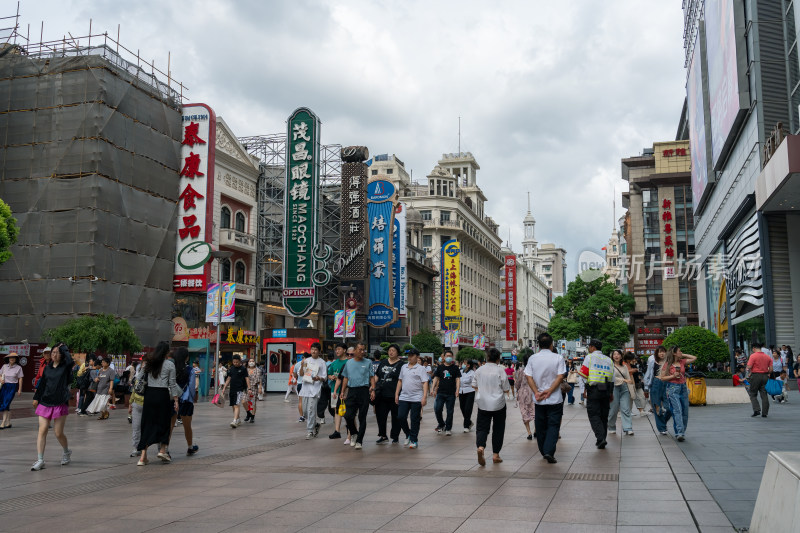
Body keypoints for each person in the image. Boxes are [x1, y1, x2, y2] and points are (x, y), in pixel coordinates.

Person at [137, 342, 181, 465]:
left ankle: (143, 457)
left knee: (147, 424)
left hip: (149, 395)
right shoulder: (170, 365)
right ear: (167, 352)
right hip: (162, 395)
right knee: (164, 422)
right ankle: (162, 450)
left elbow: (138, 377)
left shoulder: (148, 363)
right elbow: (172, 384)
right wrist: (176, 400)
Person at [31, 344, 74, 470]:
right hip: (45, 401)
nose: (54, 354)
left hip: (60, 402)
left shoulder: (65, 367)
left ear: (61, 354)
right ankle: (40, 459)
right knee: (42, 429)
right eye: (53, 352)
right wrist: (36, 398)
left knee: (58, 433)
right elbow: (42, 384)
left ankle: (66, 451)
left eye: (57, 352)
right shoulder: (47, 368)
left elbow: (70, 361)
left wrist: (64, 348)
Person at [524, 333, 566, 463]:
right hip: (555, 398)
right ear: (551, 344)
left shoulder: (532, 358)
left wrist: (537, 392)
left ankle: (544, 450)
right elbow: (560, 377)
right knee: (553, 425)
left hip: (539, 399)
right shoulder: (558, 358)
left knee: (540, 425)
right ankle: (548, 451)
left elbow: (528, 376)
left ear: (538, 345)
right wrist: (550, 390)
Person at [474, 348, 510, 465]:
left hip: (483, 403)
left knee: (482, 428)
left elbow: (474, 385)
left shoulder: (479, 370)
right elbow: (506, 388)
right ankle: (495, 455)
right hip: (498, 404)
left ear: (487, 357)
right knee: (498, 429)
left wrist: (483, 391)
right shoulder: (500, 371)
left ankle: (481, 447)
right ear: (498, 359)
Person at [578, 339, 613, 449]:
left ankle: (600, 438)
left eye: (589, 347)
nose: (589, 349)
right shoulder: (609, 359)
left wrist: (584, 389)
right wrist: (611, 393)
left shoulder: (590, 357)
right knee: (604, 415)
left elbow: (583, 374)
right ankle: (602, 438)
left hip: (594, 389)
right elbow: (612, 379)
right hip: (606, 389)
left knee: (594, 414)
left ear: (593, 347)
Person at [340, 341, 375, 449]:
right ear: (354, 350)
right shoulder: (349, 363)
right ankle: (354, 433)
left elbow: (372, 377)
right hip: (352, 391)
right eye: (360, 349)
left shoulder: (368, 362)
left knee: (362, 417)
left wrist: (373, 389)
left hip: (363, 391)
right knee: (348, 415)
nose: (362, 351)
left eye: (363, 349)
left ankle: (359, 441)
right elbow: (345, 378)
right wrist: (342, 391)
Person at [659, 346, 697, 441]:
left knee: (685, 411)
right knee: (677, 410)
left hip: (683, 387)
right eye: (679, 351)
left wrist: (682, 355)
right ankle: (679, 433)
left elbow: (694, 358)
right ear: (674, 353)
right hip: (672, 388)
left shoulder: (682, 362)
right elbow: (662, 378)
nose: (681, 352)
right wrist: (673, 376)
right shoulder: (667, 365)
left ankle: (682, 431)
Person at [395, 347, 429, 449]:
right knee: (400, 417)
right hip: (404, 397)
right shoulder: (404, 367)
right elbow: (400, 381)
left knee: (414, 419)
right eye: (408, 355)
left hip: (416, 398)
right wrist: (397, 394)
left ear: (417, 356)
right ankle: (408, 433)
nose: (409, 357)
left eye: (412, 355)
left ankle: (414, 440)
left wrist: (424, 397)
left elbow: (425, 382)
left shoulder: (421, 368)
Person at [374, 344, 404, 444]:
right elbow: (377, 375)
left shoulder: (401, 365)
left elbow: (402, 379)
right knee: (380, 416)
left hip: (395, 395)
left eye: (393, 350)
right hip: (381, 395)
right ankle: (383, 435)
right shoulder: (383, 362)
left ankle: (395, 436)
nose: (391, 352)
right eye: (389, 350)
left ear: (397, 353)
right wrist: (373, 387)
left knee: (396, 417)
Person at [171, 347, 199, 455]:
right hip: (186, 400)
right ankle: (190, 447)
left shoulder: (172, 368)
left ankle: (166, 449)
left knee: (170, 426)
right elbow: (192, 387)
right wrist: (193, 398)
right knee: (187, 426)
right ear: (186, 357)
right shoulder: (190, 370)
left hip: (172, 399)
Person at [299, 342, 327, 439]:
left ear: (319, 352)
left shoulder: (322, 362)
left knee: (311, 410)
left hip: (315, 389)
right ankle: (315, 424)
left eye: (315, 349)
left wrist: (318, 378)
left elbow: (324, 377)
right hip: (305, 388)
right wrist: (302, 365)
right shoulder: (306, 360)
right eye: (312, 349)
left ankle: (310, 431)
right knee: (305, 411)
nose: (313, 351)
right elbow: (301, 374)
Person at [432, 349, 461, 436]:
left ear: (452, 357)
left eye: (450, 356)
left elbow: (458, 379)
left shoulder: (455, 368)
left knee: (450, 411)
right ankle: (441, 423)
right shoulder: (440, 367)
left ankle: (448, 428)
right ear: (444, 357)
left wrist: (457, 390)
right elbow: (436, 378)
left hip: (451, 393)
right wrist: (432, 388)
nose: (448, 357)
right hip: (441, 392)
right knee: (437, 409)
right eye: (447, 356)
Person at [644, 346, 672, 435]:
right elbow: (648, 374)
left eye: (663, 351)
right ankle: (661, 428)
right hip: (655, 384)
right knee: (657, 408)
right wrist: (646, 387)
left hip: (667, 385)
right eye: (660, 352)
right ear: (657, 353)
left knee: (670, 407)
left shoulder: (669, 363)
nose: (662, 353)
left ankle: (662, 423)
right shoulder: (653, 362)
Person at [607, 349, 634, 436]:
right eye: (614, 354)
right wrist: (624, 380)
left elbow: (628, 378)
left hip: (624, 388)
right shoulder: (610, 366)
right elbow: (611, 378)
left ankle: (628, 428)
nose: (616, 356)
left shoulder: (624, 367)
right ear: (612, 356)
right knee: (613, 410)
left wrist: (629, 382)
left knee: (626, 409)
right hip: (614, 388)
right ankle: (611, 426)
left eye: (618, 354)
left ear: (621, 356)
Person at [327, 342, 349, 440]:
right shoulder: (334, 363)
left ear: (344, 350)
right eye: (336, 349)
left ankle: (350, 429)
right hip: (334, 390)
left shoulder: (348, 363)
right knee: (336, 410)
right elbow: (329, 374)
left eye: (339, 349)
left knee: (347, 411)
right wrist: (331, 376)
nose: (337, 351)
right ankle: (337, 431)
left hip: (346, 390)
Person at [221, 355, 250, 428]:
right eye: (234, 362)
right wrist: (224, 387)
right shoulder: (231, 369)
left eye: (237, 362)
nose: (235, 363)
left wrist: (249, 388)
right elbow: (228, 378)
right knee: (233, 406)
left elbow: (247, 378)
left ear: (240, 361)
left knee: (237, 405)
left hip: (239, 389)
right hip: (232, 389)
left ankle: (234, 420)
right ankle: (238, 419)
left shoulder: (243, 369)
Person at [746, 343, 772, 418]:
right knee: (764, 394)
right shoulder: (767, 357)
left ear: (754, 348)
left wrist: (748, 367)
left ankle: (756, 409)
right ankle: (765, 413)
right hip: (765, 376)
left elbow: (749, 366)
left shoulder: (753, 356)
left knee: (753, 393)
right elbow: (771, 369)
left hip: (755, 376)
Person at [1, 352, 24, 428]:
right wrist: (1, 379)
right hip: (4, 387)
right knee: (5, 404)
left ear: (16, 359)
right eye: (11, 357)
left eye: (14, 357)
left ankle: (3, 423)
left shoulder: (19, 368)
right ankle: (8, 423)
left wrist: (19, 389)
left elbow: (20, 379)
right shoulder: (4, 366)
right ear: (8, 358)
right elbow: (0, 374)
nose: (12, 359)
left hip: (12, 387)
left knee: (6, 403)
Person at [128, 359, 145, 457]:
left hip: (149, 405)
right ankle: (136, 448)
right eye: (143, 364)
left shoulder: (154, 377)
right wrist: (130, 404)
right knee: (136, 427)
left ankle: (161, 448)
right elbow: (134, 391)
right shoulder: (138, 377)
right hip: (137, 404)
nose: (145, 366)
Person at [625, 352, 647, 417]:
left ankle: (642, 410)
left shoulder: (632, 364)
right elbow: (626, 372)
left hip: (636, 383)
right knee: (632, 398)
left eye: (634, 359)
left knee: (641, 397)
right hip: (629, 383)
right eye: (632, 359)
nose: (634, 360)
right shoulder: (625, 364)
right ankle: (639, 411)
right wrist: (633, 370)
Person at [459, 360, 477, 433]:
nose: (463, 364)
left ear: (469, 365)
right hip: (461, 391)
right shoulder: (460, 371)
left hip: (470, 391)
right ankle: (469, 421)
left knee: (468, 409)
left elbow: (474, 383)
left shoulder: (472, 373)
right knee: (462, 408)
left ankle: (466, 426)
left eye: (465, 363)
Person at [244, 358, 263, 423]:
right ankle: (248, 413)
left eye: (252, 361)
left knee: (252, 402)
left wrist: (260, 388)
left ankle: (252, 416)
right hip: (245, 387)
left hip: (254, 387)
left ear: (255, 362)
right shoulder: (246, 370)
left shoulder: (258, 370)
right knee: (244, 401)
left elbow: (260, 380)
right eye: (250, 361)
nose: (251, 362)